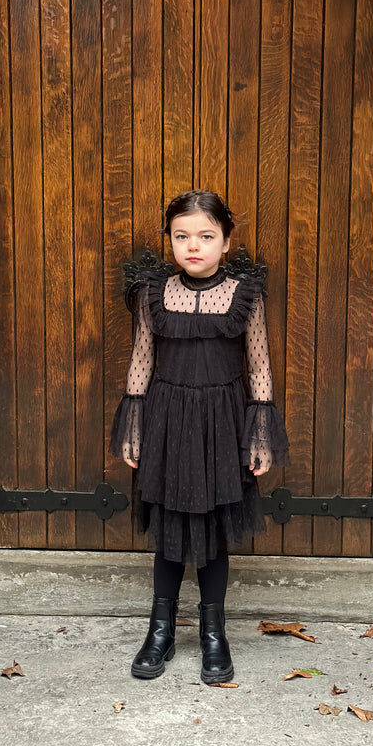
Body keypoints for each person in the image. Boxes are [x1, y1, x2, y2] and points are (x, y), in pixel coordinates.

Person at [110, 190, 290, 682]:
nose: (193, 245)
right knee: (169, 529)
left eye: (206, 236)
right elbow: (141, 360)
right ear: (169, 240)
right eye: (182, 236)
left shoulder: (244, 296)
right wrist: (134, 427)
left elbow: (259, 367)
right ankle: (160, 630)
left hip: (221, 423)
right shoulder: (154, 293)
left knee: (212, 530)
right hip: (167, 421)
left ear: (226, 241)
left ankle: (214, 632)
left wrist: (259, 435)